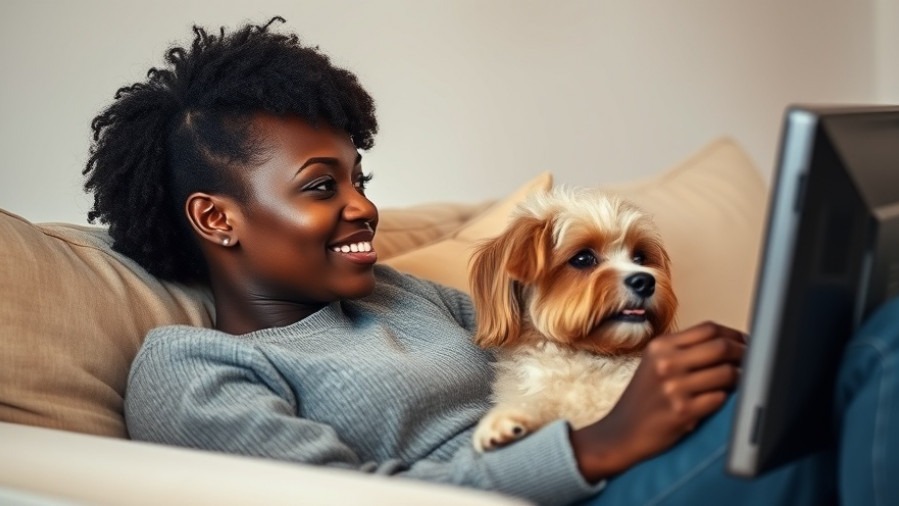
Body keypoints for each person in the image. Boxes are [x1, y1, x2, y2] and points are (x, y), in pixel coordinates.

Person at [82, 17, 897, 505]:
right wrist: (599, 446)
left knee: (866, 346)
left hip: (617, 469)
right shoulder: (192, 368)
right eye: (321, 185)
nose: (362, 206)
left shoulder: (403, 295)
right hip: (583, 488)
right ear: (217, 218)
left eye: (358, 179)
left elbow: (559, 348)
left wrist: (684, 367)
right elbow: (360, 499)